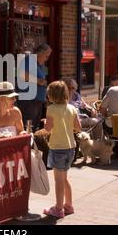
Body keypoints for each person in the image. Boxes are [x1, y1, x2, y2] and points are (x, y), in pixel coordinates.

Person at [42, 80, 82, 218]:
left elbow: (47, 129)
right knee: (64, 178)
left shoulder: (51, 109)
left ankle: (58, 208)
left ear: (52, 95)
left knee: (58, 180)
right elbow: (78, 127)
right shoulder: (71, 108)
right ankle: (69, 205)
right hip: (70, 147)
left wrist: (46, 122)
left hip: (57, 147)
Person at [16, 44, 52, 132]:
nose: (46, 59)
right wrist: (38, 81)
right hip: (28, 101)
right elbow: (22, 74)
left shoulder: (37, 64)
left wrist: (44, 98)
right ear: (40, 54)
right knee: (28, 126)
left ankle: (31, 144)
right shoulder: (29, 60)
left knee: (34, 127)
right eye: (46, 56)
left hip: (36, 101)